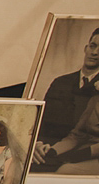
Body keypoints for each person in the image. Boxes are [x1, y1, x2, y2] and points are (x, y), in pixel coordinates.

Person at [34, 27, 99, 159]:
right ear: (86, 48)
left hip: (79, 152)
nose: (95, 52)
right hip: (48, 148)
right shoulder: (60, 82)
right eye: (93, 46)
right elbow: (42, 120)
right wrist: (37, 143)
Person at [38, 95, 99, 176]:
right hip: (84, 153)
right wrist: (52, 151)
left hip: (91, 155)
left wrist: (80, 155)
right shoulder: (95, 100)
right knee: (38, 164)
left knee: (66, 170)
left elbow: (87, 152)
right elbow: (78, 135)